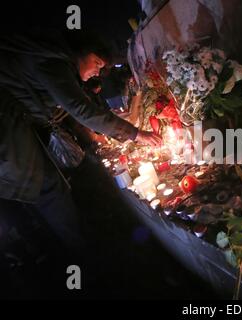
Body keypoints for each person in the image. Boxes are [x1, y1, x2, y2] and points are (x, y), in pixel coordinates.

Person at [0, 29, 161, 253]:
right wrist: (136, 134)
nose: (97, 71)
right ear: (79, 52)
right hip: (8, 137)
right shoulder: (53, 63)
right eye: (96, 62)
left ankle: (70, 241)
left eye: (101, 67)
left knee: (45, 187)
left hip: (16, 129)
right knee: (47, 188)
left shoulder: (53, 58)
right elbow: (81, 109)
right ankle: (80, 250)